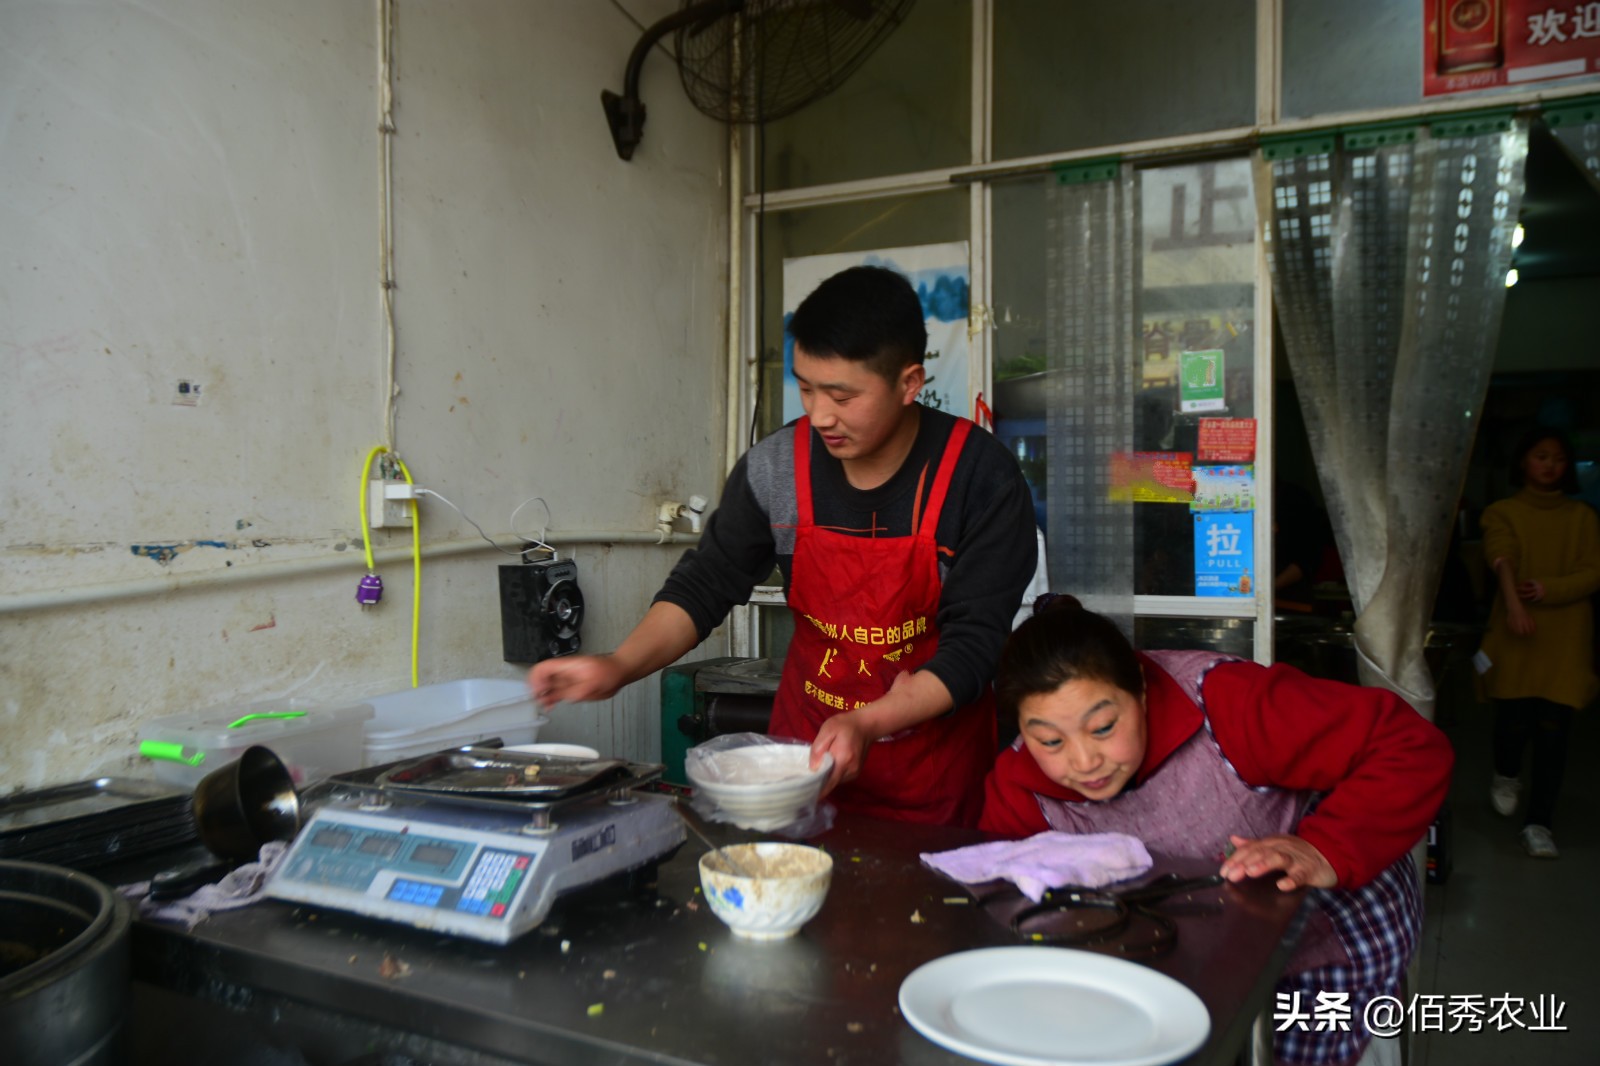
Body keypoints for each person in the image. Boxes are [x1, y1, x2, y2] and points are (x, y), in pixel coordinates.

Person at [529, 265, 1038, 827]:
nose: (820, 415)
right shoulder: (777, 468)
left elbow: (975, 644)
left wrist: (868, 723)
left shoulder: (978, 477)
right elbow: (707, 582)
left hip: (933, 778)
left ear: (909, 382)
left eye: (842, 395)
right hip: (799, 765)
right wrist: (620, 665)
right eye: (807, 388)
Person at [982, 597, 1453, 1066]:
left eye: (1103, 727)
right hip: (1196, 956)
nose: (1085, 762)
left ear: (1141, 688)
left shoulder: (1228, 703)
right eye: (1051, 741)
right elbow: (1001, 901)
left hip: (1332, 936)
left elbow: (1408, 746)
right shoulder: (1021, 788)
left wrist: (1325, 848)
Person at [1477, 426, 1600, 860]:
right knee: (1511, 723)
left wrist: (1548, 589)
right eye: (1541, 456)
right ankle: (1506, 773)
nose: (1550, 465)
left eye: (1559, 458)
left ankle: (1539, 824)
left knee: (1554, 734)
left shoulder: (1583, 517)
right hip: (1516, 635)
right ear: (1523, 461)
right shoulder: (1503, 511)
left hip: (1565, 639)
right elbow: (1501, 554)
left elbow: (1593, 572)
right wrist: (1515, 604)